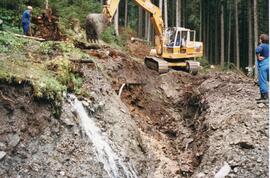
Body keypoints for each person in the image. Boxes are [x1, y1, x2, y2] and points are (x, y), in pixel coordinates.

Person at [255, 34, 269, 102]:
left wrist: (258, 57)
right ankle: (263, 97)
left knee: (262, 81)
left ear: (261, 40)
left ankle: (265, 97)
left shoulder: (262, 45)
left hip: (263, 65)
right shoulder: (268, 46)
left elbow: (257, 50)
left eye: (259, 38)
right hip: (268, 63)